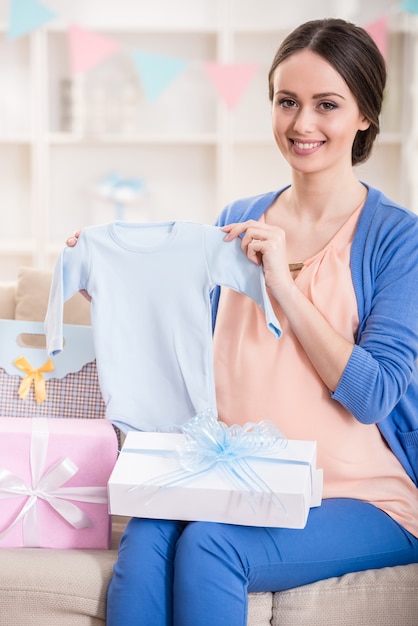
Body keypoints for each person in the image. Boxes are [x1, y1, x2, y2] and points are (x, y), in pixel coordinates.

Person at [67, 18, 418, 626]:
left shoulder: (397, 239)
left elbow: (373, 394)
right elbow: (192, 361)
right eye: (287, 102)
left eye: (326, 105)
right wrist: (113, 290)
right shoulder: (235, 219)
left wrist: (281, 282)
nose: (302, 124)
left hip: (359, 495)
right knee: (149, 534)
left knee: (211, 543)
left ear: (364, 115)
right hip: (228, 472)